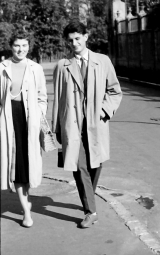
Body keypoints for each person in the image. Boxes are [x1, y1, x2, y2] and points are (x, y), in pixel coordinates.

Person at [52, 20, 122, 228]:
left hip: (96, 124)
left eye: (77, 38)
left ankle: (88, 195)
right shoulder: (62, 66)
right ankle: (91, 211)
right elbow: (58, 98)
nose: (74, 43)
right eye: (70, 40)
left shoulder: (103, 61)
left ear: (86, 36)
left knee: (95, 164)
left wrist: (104, 111)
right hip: (72, 125)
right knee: (78, 165)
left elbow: (114, 91)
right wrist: (57, 127)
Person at [0, 26, 48, 228]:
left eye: (24, 45)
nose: (21, 49)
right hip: (9, 119)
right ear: (10, 47)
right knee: (17, 164)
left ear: (29, 46)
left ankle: (25, 196)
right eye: (17, 45)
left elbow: (42, 97)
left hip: (30, 120)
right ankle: (26, 210)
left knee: (28, 164)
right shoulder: (2, 68)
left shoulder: (35, 68)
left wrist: (39, 117)